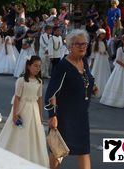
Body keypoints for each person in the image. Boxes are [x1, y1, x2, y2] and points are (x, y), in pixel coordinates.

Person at [45, 29, 98, 169]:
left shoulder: (84, 61)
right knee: (58, 152)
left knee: (84, 150)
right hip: (64, 117)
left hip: (81, 116)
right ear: (69, 46)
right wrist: (52, 116)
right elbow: (51, 93)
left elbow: (86, 78)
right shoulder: (62, 66)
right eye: (78, 44)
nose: (82, 47)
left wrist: (92, 87)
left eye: (84, 44)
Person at [0, 55, 49, 167]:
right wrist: (15, 114)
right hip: (22, 108)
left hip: (33, 109)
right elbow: (17, 98)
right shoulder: (21, 81)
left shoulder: (39, 81)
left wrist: (40, 115)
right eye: (35, 66)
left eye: (39, 66)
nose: (37, 68)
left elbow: (39, 99)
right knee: (19, 132)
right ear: (29, 66)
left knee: (33, 134)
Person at [90, 29, 111, 98]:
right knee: (97, 72)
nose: (104, 35)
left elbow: (105, 51)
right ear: (99, 35)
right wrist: (92, 63)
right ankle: (95, 89)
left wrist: (105, 53)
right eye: (102, 34)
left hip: (104, 60)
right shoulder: (95, 43)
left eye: (104, 34)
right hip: (98, 60)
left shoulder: (104, 42)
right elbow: (93, 53)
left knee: (104, 72)